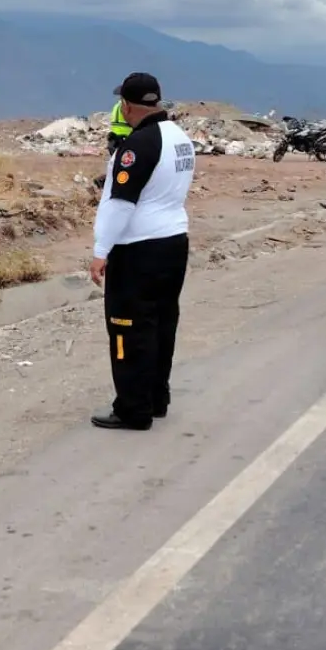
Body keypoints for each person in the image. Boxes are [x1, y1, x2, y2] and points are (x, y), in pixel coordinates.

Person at [88, 72, 194, 431]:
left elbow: (120, 203)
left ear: (128, 106)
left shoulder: (138, 146)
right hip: (174, 242)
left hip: (138, 250)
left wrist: (101, 251)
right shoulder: (180, 138)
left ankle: (133, 408)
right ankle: (156, 397)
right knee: (163, 322)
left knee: (128, 328)